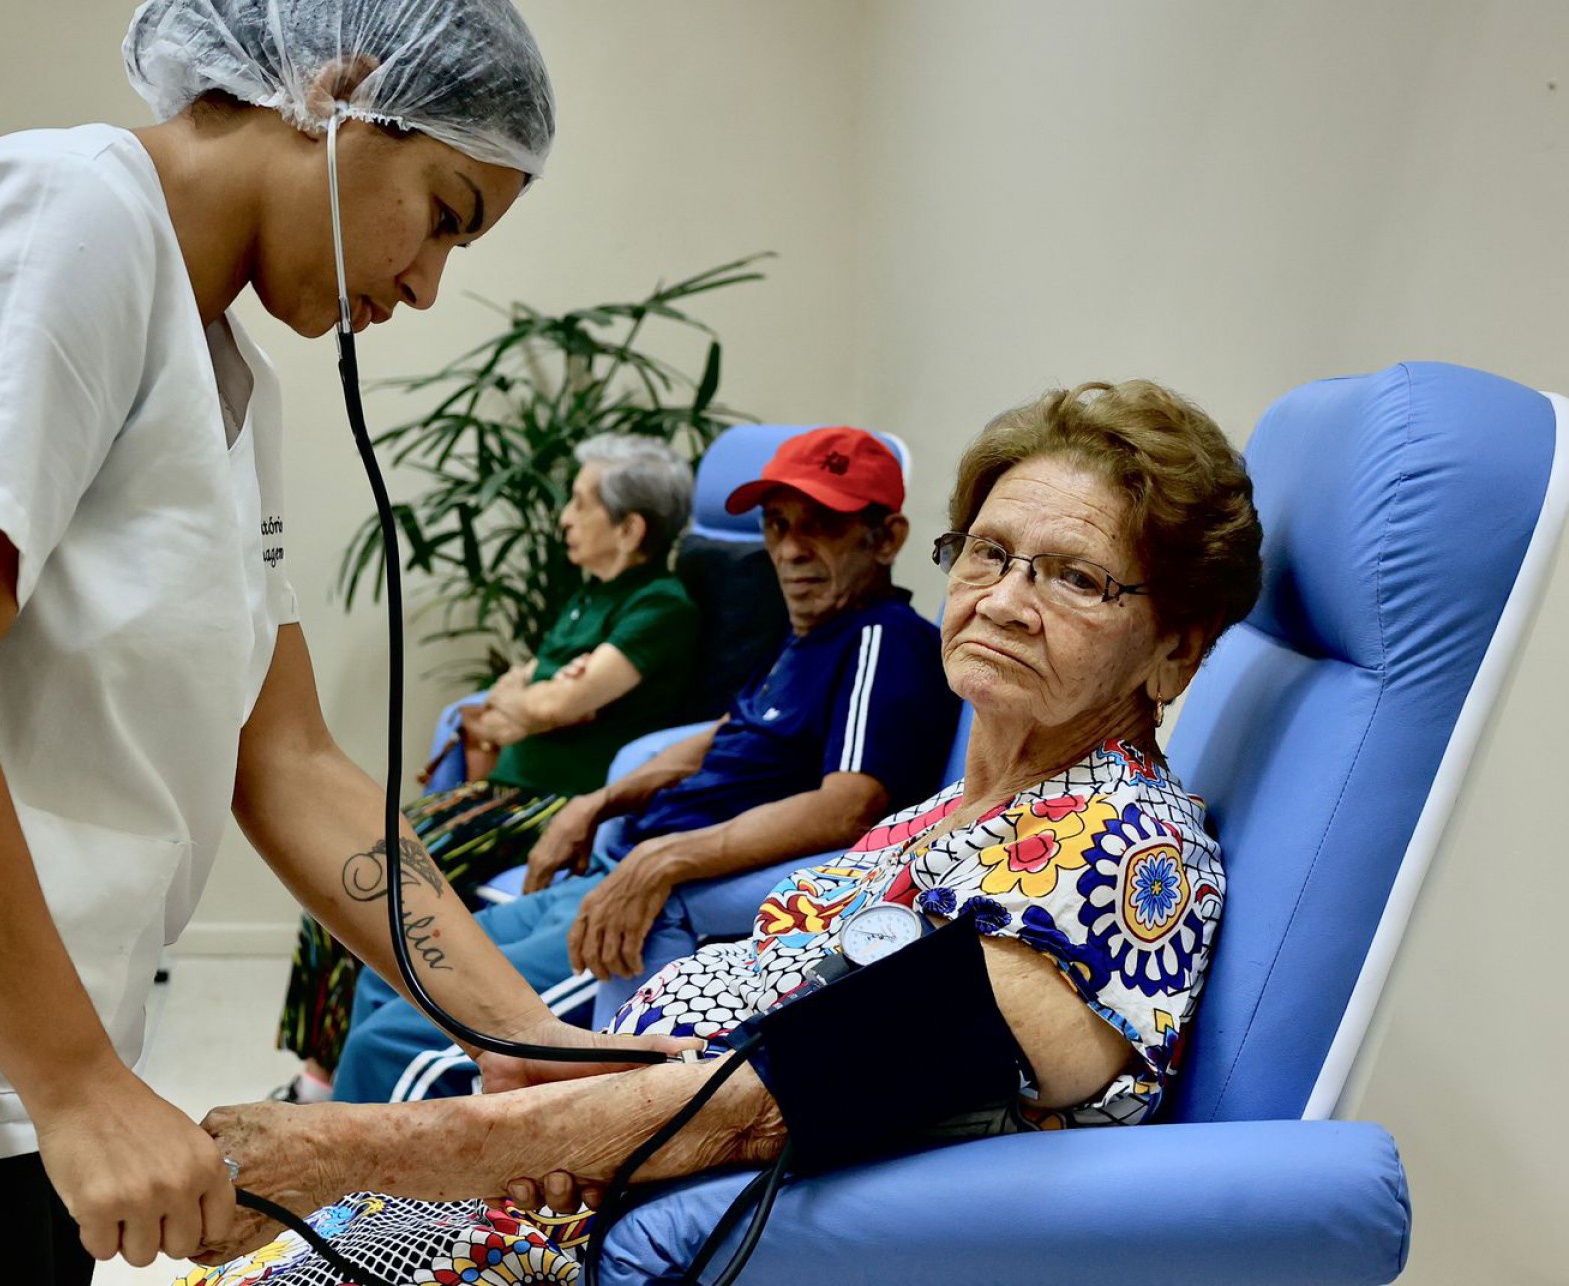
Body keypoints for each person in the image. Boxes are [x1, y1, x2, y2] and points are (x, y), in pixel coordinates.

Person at [0, 3, 690, 1282]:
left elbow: (293, 759)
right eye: (446, 210)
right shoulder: (61, 221)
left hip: (11, 1062)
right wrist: (82, 1085)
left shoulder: (225, 380)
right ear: (338, 90)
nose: (426, 281)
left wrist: (526, 1033)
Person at [173, 378, 1265, 1284]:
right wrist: (560, 1084)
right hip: (578, 1170)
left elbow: (770, 1104)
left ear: (1175, 650)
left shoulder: (1131, 850)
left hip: (625, 1232)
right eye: (987, 552)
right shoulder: (947, 811)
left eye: (1074, 576)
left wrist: (351, 1149)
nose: (1005, 599)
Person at [328, 425, 963, 1105]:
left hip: (661, 911)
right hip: (611, 871)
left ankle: (348, 1198)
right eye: (777, 526)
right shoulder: (805, 640)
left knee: (392, 1040)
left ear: (887, 538)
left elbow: (851, 806)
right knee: (393, 958)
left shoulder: (882, 642)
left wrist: (663, 860)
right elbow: (724, 736)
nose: (790, 549)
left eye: (822, 526)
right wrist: (596, 804)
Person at [279, 433, 698, 1103]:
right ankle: (319, 1075)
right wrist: (531, 703)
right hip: (504, 788)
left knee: (367, 876)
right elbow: (515, 697)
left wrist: (534, 703)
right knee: (342, 871)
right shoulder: (587, 598)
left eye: (581, 503)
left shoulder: (660, 607)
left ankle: (322, 1085)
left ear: (630, 527)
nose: (564, 516)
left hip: (547, 801)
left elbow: (551, 700)